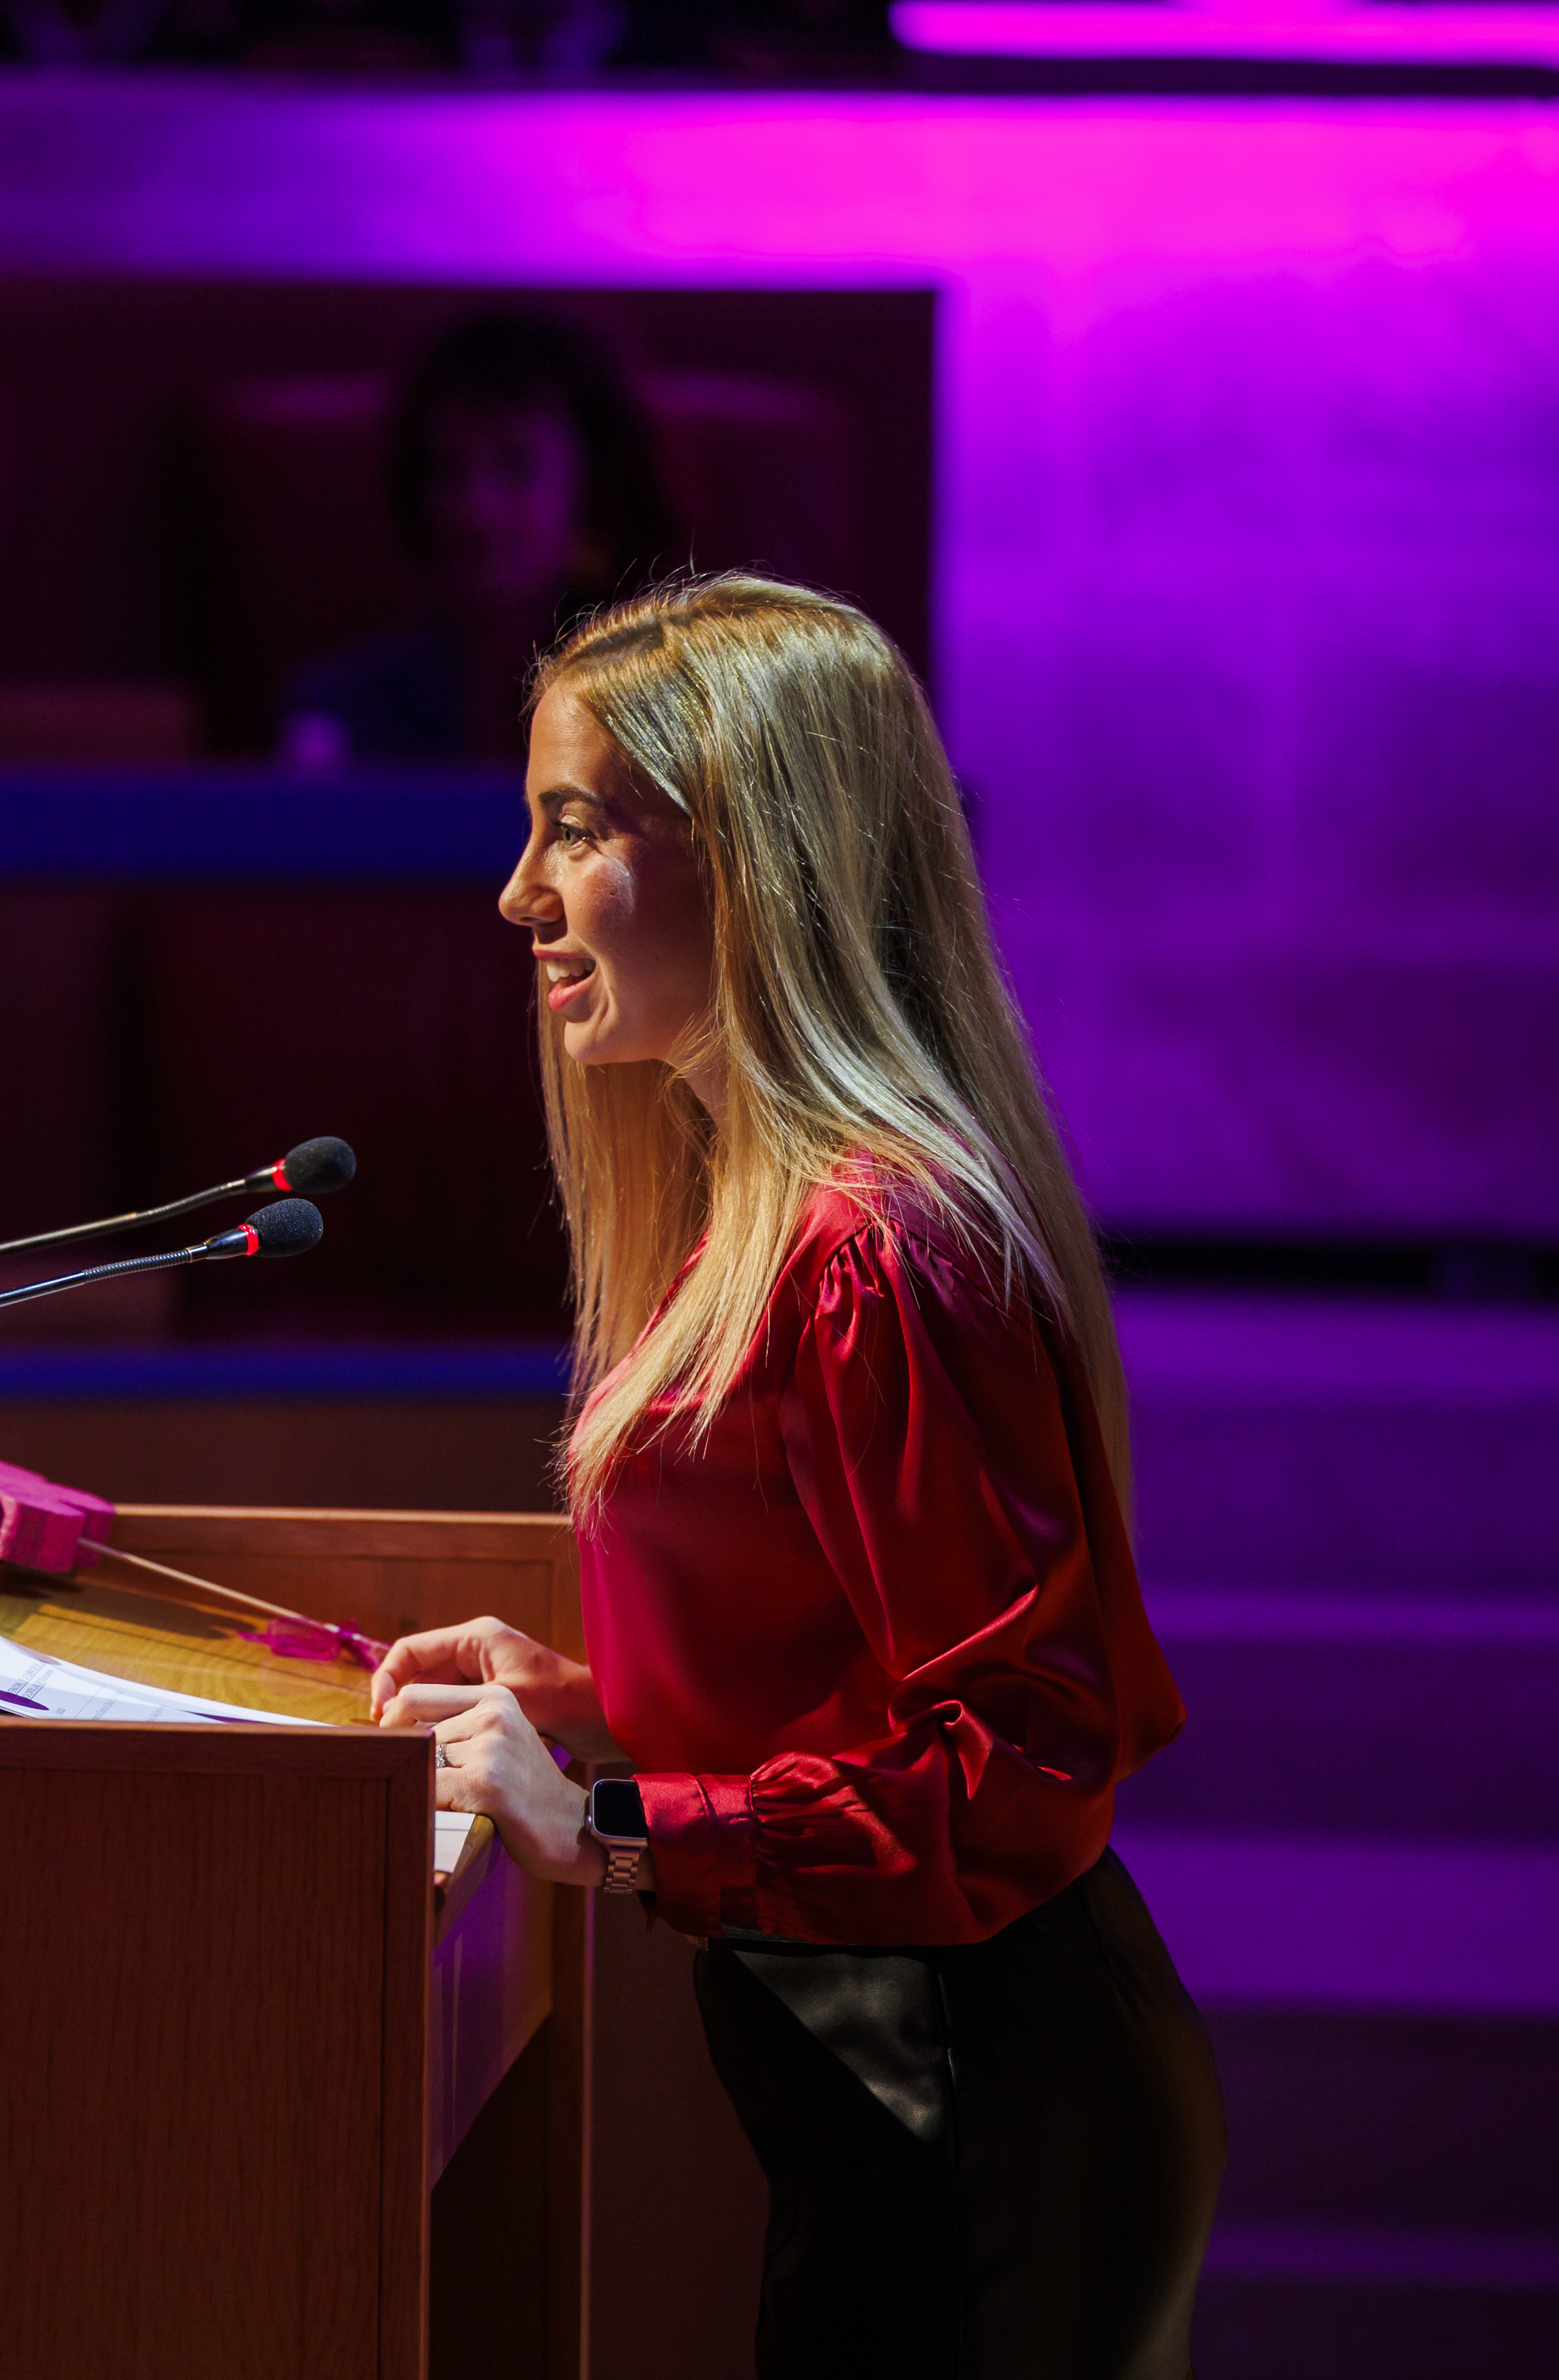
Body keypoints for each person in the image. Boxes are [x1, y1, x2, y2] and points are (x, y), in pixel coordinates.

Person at [370, 577, 1221, 2376]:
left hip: (983, 2099)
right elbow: (858, 1688)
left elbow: (1015, 1768)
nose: (518, 896)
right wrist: (606, 1723)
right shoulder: (764, 1219)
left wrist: (608, 1828)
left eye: (575, 830)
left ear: (757, 857)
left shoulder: (879, 1249)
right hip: (896, 2090)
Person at [283, 310, 681, 765]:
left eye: (515, 466)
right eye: (448, 470)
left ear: (594, 489)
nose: (476, 509)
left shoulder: (661, 708)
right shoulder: (344, 710)